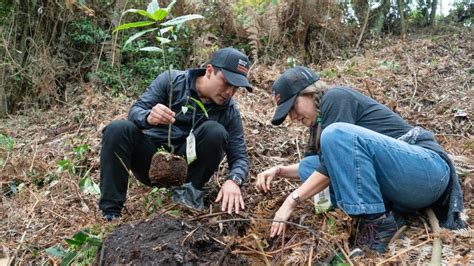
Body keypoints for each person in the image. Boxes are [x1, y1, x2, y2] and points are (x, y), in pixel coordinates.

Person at [256, 66, 465, 253]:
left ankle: (376, 223)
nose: (293, 117)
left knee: (335, 136)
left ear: (310, 93)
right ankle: (388, 214)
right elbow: (321, 168)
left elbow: (330, 162)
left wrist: (290, 201)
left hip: (427, 171)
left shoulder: (334, 98)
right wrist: (280, 170)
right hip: (405, 185)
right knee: (312, 164)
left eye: (292, 107)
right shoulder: (318, 123)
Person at [99, 47, 252, 220]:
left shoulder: (229, 111)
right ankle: (110, 213)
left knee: (214, 131)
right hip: (152, 161)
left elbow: (239, 157)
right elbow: (136, 110)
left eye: (236, 88)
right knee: (117, 129)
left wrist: (234, 180)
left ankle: (186, 198)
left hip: (189, 171)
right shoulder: (173, 80)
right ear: (209, 70)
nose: (229, 92)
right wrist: (148, 117)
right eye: (226, 82)